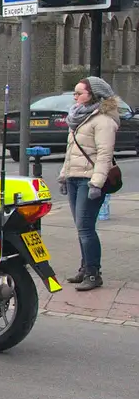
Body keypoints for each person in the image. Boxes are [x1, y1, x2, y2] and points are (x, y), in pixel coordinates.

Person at [59, 76, 120, 292]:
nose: (75, 97)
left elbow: (104, 154)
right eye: (74, 93)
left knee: (86, 228)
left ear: (93, 95)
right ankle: (85, 268)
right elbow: (71, 152)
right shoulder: (77, 118)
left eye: (79, 93)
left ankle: (94, 274)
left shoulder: (103, 120)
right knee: (80, 227)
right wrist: (64, 175)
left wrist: (96, 183)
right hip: (75, 178)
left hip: (90, 180)